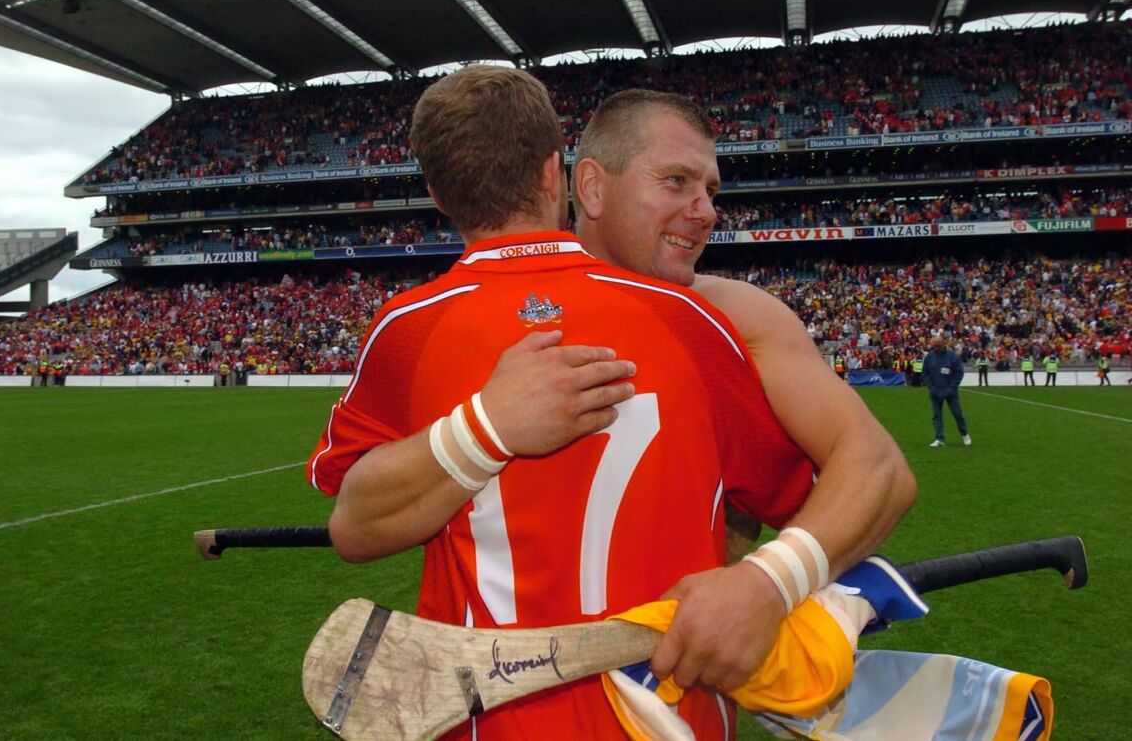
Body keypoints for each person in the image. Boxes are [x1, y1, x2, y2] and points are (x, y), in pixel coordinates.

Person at [310, 70, 913, 738]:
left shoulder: (415, 325)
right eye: (676, 181)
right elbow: (358, 522)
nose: (706, 209)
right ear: (576, 182)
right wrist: (488, 427)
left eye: (711, 189)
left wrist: (765, 582)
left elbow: (870, 472)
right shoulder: (700, 325)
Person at [921, 336, 970, 447]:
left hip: (950, 392)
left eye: (938, 346)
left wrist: (951, 388)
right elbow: (924, 373)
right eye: (934, 347)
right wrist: (931, 387)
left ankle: (965, 434)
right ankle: (939, 439)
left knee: (957, 413)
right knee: (937, 416)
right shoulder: (929, 357)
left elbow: (959, 373)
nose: (936, 348)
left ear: (943, 344)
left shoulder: (952, 356)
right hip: (935, 391)